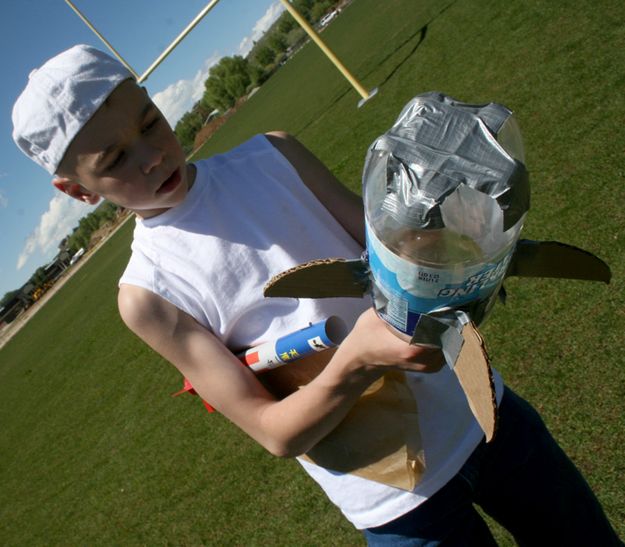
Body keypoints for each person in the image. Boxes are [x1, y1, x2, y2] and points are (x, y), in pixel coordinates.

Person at [12, 45, 622, 546]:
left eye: (149, 121)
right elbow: (274, 432)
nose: (151, 157)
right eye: (116, 158)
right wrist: (356, 359)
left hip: (480, 412)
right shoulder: (148, 294)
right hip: (395, 500)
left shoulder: (273, 154)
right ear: (76, 190)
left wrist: (457, 243)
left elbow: (390, 252)